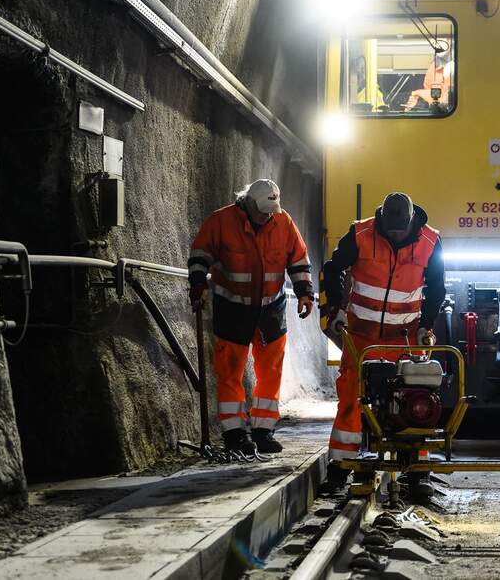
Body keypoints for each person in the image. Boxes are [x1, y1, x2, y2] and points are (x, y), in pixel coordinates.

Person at [320, 192, 446, 496]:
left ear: (412, 220)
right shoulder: (361, 232)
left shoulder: (430, 241)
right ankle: (341, 465)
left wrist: (426, 326)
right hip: (362, 336)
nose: (395, 234)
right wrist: (336, 309)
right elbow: (333, 268)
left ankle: (417, 470)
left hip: (405, 334)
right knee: (351, 393)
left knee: (415, 398)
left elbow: (438, 287)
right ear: (382, 220)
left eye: (400, 229)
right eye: (390, 229)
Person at [187, 179, 315, 455]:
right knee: (230, 371)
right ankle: (234, 434)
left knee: (271, 371)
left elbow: (299, 259)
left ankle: (263, 431)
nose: (267, 216)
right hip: (233, 307)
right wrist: (198, 281)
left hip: (271, 309)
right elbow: (200, 253)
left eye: (271, 211)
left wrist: (305, 292)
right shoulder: (221, 221)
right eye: (262, 211)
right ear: (246, 203)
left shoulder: (283, 221)